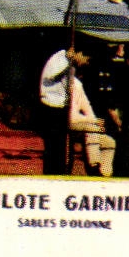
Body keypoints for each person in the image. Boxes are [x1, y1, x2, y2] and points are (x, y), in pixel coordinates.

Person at [38, 47, 89, 175]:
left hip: (62, 107)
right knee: (55, 146)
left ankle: (62, 172)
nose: (85, 63)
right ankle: (53, 174)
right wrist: (69, 63)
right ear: (78, 53)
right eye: (85, 59)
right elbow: (51, 75)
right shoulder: (59, 59)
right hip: (52, 107)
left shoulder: (69, 63)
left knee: (63, 147)